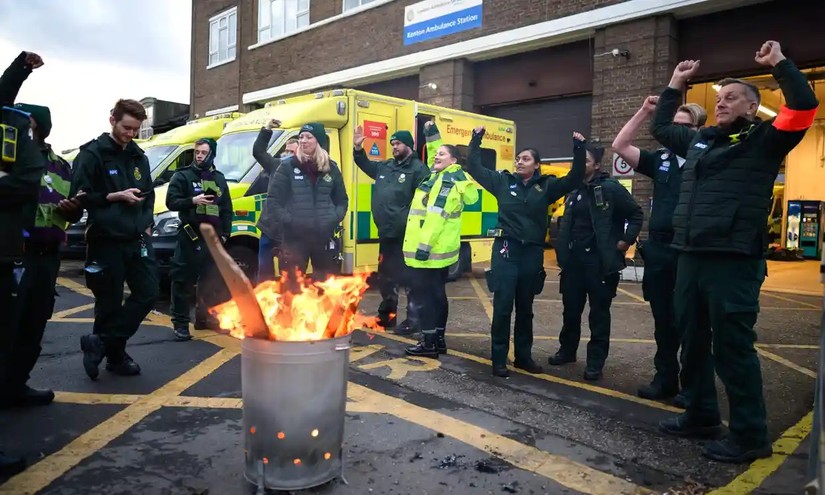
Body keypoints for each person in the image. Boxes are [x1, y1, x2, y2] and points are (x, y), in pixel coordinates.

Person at [652, 42, 818, 463]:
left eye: (732, 98)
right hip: (690, 253)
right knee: (690, 341)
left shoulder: (765, 139)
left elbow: (803, 103)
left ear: (751, 107)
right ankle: (701, 414)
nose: (722, 102)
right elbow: (659, 128)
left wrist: (780, 64)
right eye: (719, 97)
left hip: (733, 258)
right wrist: (675, 84)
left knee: (732, 347)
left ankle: (750, 436)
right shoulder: (701, 141)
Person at [466, 128, 586, 377]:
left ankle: (523, 357)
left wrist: (578, 149)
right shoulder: (502, 181)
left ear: (537, 165)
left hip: (531, 253)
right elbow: (474, 167)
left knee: (525, 307)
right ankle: (498, 359)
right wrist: (476, 140)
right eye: (518, 158)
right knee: (502, 307)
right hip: (506, 250)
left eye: (526, 159)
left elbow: (575, 179)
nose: (519, 162)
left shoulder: (547, 187)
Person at [612, 99, 707, 405]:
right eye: (673, 126)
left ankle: (693, 388)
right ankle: (665, 379)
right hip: (661, 249)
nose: (677, 132)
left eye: (685, 127)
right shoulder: (662, 158)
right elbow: (620, 145)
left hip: (690, 251)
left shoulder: (705, 159)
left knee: (692, 323)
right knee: (663, 321)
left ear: (698, 131)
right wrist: (644, 112)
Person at [1, 103, 83, 408]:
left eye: (29, 124)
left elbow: (73, 207)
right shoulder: (9, 161)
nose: (21, 129)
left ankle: (16, 386)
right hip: (15, 255)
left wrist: (75, 209)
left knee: (35, 323)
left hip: (48, 257)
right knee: (7, 327)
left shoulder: (61, 165)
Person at [70, 99, 159, 380]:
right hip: (105, 240)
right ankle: (116, 357)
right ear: (112, 120)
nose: (131, 134)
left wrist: (146, 224)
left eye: (136, 129)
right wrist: (113, 196)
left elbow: (148, 195)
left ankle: (100, 343)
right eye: (127, 127)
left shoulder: (138, 156)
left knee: (148, 293)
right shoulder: (92, 154)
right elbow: (79, 197)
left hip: (137, 239)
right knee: (108, 302)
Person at [548, 141, 643, 381]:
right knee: (571, 311)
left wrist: (625, 241)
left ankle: (595, 363)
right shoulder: (574, 189)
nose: (580, 165)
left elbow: (636, 213)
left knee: (598, 314)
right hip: (574, 263)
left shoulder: (610, 188)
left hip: (599, 262)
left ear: (597, 165)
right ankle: (567, 351)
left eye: (586, 161)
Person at [0, 49, 45, 478]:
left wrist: (18, 68)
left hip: (17, 252)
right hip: (13, 251)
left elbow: (29, 180)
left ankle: (13, 387)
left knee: (17, 332)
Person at [403, 141, 478, 358]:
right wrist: (431, 134)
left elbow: (435, 217)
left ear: (453, 161)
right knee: (437, 295)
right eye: (436, 154)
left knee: (425, 297)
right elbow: (435, 158)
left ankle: (428, 344)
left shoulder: (445, 182)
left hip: (430, 251)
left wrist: (423, 247)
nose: (436, 156)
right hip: (441, 250)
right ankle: (438, 340)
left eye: (441, 155)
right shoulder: (448, 176)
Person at [353, 123, 431, 332]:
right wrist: (358, 149)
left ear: (409, 146)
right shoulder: (386, 166)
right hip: (386, 234)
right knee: (386, 279)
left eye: (398, 143)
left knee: (410, 280)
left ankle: (413, 321)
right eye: (393, 143)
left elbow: (425, 202)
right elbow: (365, 164)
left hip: (407, 236)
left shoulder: (419, 170)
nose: (394, 147)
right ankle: (386, 316)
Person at [258, 122, 348, 288]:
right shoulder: (287, 167)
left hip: (323, 238)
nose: (303, 140)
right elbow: (273, 201)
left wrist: (332, 219)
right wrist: (291, 221)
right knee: (292, 288)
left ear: (319, 142)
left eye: (308, 137)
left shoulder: (331, 168)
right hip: (294, 240)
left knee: (325, 287)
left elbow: (342, 201)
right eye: (301, 137)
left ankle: (322, 315)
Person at [166, 138, 232, 341]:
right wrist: (192, 201)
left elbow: (226, 209)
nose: (200, 155)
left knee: (211, 281)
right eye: (197, 152)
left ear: (212, 154)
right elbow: (171, 202)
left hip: (212, 239)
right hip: (190, 236)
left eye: (204, 152)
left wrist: (225, 234)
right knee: (183, 281)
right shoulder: (183, 176)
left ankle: (205, 319)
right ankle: (180, 323)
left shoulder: (219, 179)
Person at [253, 119, 297, 283]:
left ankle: (287, 305)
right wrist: (267, 129)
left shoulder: (304, 171)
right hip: (269, 227)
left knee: (289, 275)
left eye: (291, 151)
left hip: (289, 232)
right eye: (286, 150)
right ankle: (265, 304)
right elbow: (258, 151)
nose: (287, 153)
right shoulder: (275, 165)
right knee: (264, 273)